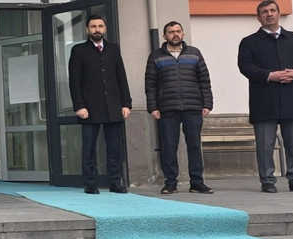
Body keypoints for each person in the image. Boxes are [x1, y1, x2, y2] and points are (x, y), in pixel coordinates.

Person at [238, 0, 293, 194]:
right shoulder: (249, 42)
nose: (269, 14)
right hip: (264, 100)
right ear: (259, 17)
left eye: (272, 10)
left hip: (292, 98)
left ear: (279, 14)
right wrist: (268, 75)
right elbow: (245, 66)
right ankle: (267, 180)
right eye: (264, 12)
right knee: (265, 145)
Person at [145, 21, 214, 195]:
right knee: (169, 146)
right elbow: (150, 84)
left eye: (178, 31)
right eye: (171, 32)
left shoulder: (194, 53)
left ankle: (197, 182)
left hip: (193, 106)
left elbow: (204, 80)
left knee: (194, 146)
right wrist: (153, 107)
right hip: (167, 107)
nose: (175, 34)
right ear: (164, 36)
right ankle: (170, 183)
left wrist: (207, 103)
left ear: (183, 34)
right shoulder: (155, 56)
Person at [68, 15, 132, 194]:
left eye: (100, 26)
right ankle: (89, 182)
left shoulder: (114, 49)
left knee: (114, 147)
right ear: (87, 30)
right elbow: (74, 81)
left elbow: (121, 77)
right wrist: (79, 105)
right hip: (89, 107)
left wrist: (126, 103)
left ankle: (115, 182)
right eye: (93, 26)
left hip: (113, 106)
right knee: (89, 147)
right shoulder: (79, 50)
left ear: (105, 29)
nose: (97, 29)